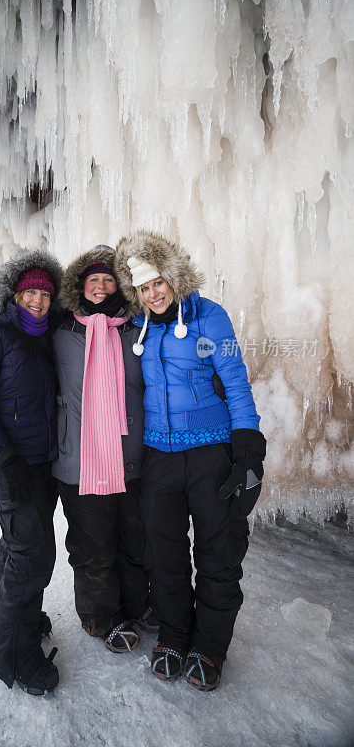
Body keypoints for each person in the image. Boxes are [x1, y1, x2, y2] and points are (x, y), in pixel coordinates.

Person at [114, 231, 266, 691]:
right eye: (143, 288)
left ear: (173, 277)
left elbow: (236, 382)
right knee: (165, 554)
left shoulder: (210, 317)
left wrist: (248, 447)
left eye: (158, 283)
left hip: (209, 454)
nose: (153, 294)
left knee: (218, 552)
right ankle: (176, 636)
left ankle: (209, 647)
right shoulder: (141, 327)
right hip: (160, 455)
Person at [0, 249, 63, 696]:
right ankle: (15, 657)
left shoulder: (45, 339)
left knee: (15, 544)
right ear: (13, 295)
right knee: (33, 555)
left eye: (44, 293)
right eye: (29, 293)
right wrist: (4, 458)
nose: (37, 301)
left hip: (40, 463)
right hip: (10, 465)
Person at [52, 245, 150, 653]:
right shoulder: (59, 331)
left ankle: (136, 607)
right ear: (80, 284)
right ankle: (100, 618)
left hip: (131, 457)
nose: (101, 286)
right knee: (93, 546)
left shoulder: (136, 329)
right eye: (93, 279)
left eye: (109, 279)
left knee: (134, 540)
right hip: (80, 460)